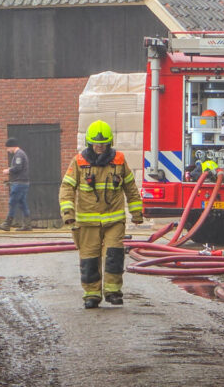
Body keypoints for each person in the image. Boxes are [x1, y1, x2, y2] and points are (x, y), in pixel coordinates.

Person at [59, 120, 143, 309]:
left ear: (109, 143)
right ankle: (92, 294)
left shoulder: (119, 160)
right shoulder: (79, 162)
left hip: (114, 220)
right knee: (89, 259)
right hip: (87, 222)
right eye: (96, 144)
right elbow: (67, 188)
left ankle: (113, 292)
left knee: (114, 256)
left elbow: (130, 187)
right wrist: (68, 213)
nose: (100, 147)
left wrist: (136, 211)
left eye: (104, 144)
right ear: (89, 143)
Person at [0, 138, 32, 231]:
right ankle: (27, 224)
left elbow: (17, 167)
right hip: (23, 183)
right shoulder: (21, 154)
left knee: (12, 202)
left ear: (12, 146)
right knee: (22, 203)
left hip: (19, 183)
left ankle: (7, 224)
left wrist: (8, 170)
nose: (8, 150)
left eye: (8, 148)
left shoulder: (19, 155)